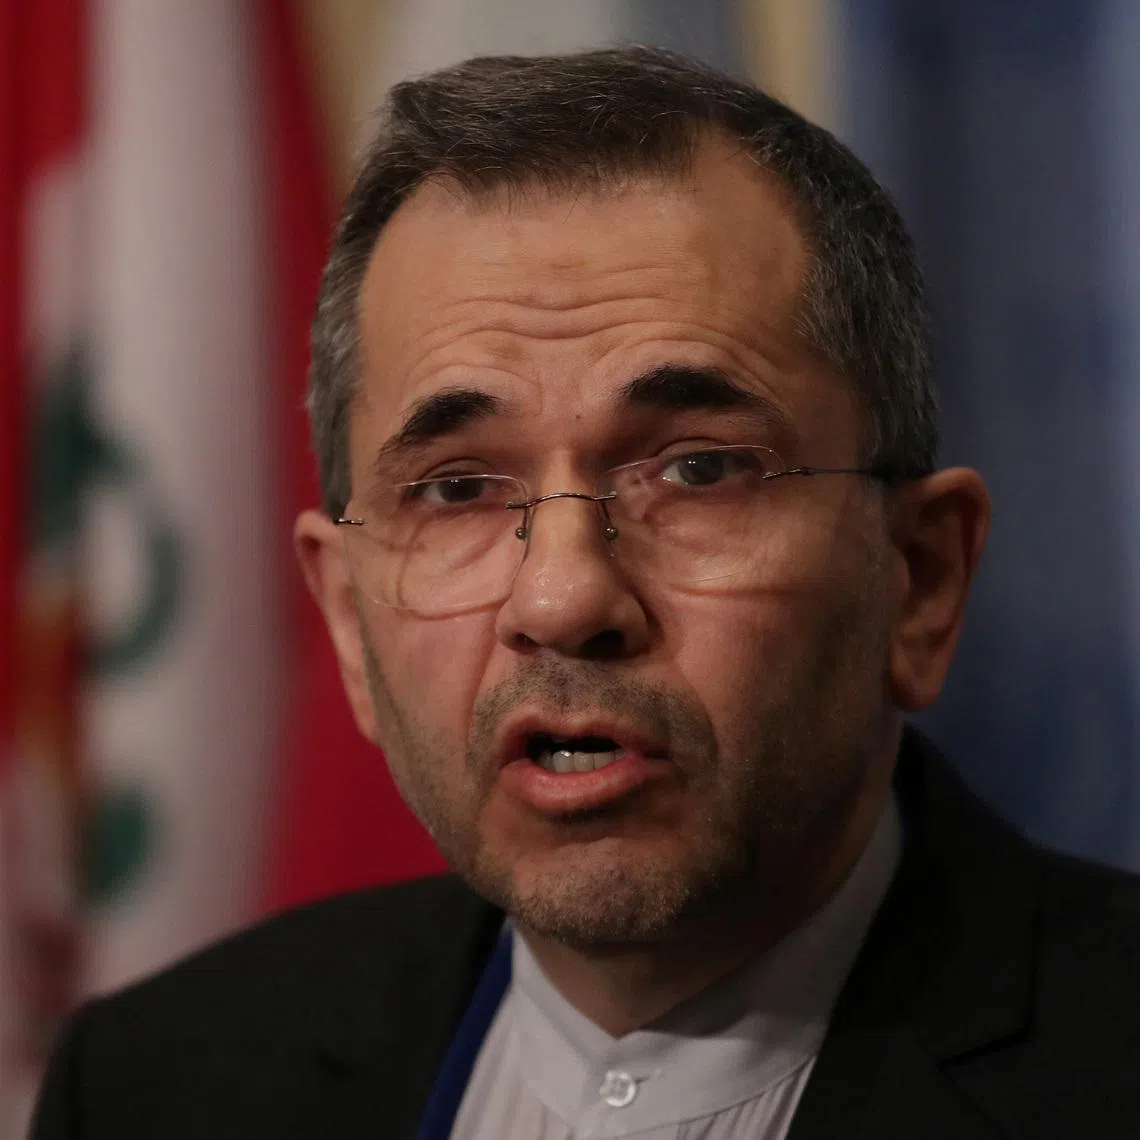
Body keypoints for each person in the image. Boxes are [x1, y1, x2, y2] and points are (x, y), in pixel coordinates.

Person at [31, 46, 1140, 1140]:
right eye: (459, 488)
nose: (563, 601)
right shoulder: (154, 1085)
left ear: (921, 580)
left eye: (698, 470)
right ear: (350, 627)